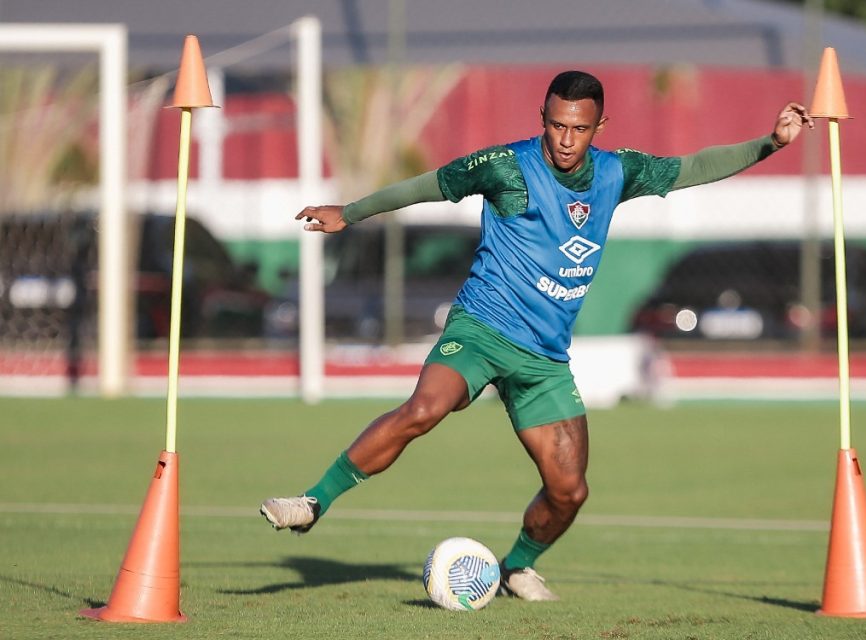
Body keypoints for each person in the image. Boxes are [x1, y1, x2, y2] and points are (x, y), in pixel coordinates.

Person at [261, 70, 812, 601]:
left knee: (570, 490)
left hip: (546, 359)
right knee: (424, 410)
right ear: (542, 117)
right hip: (481, 328)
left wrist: (771, 142)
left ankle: (517, 567)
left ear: (600, 126)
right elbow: (428, 185)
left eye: (579, 128)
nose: (566, 139)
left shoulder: (617, 173)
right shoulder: (506, 166)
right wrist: (351, 213)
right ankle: (313, 502)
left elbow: (691, 166)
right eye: (556, 125)